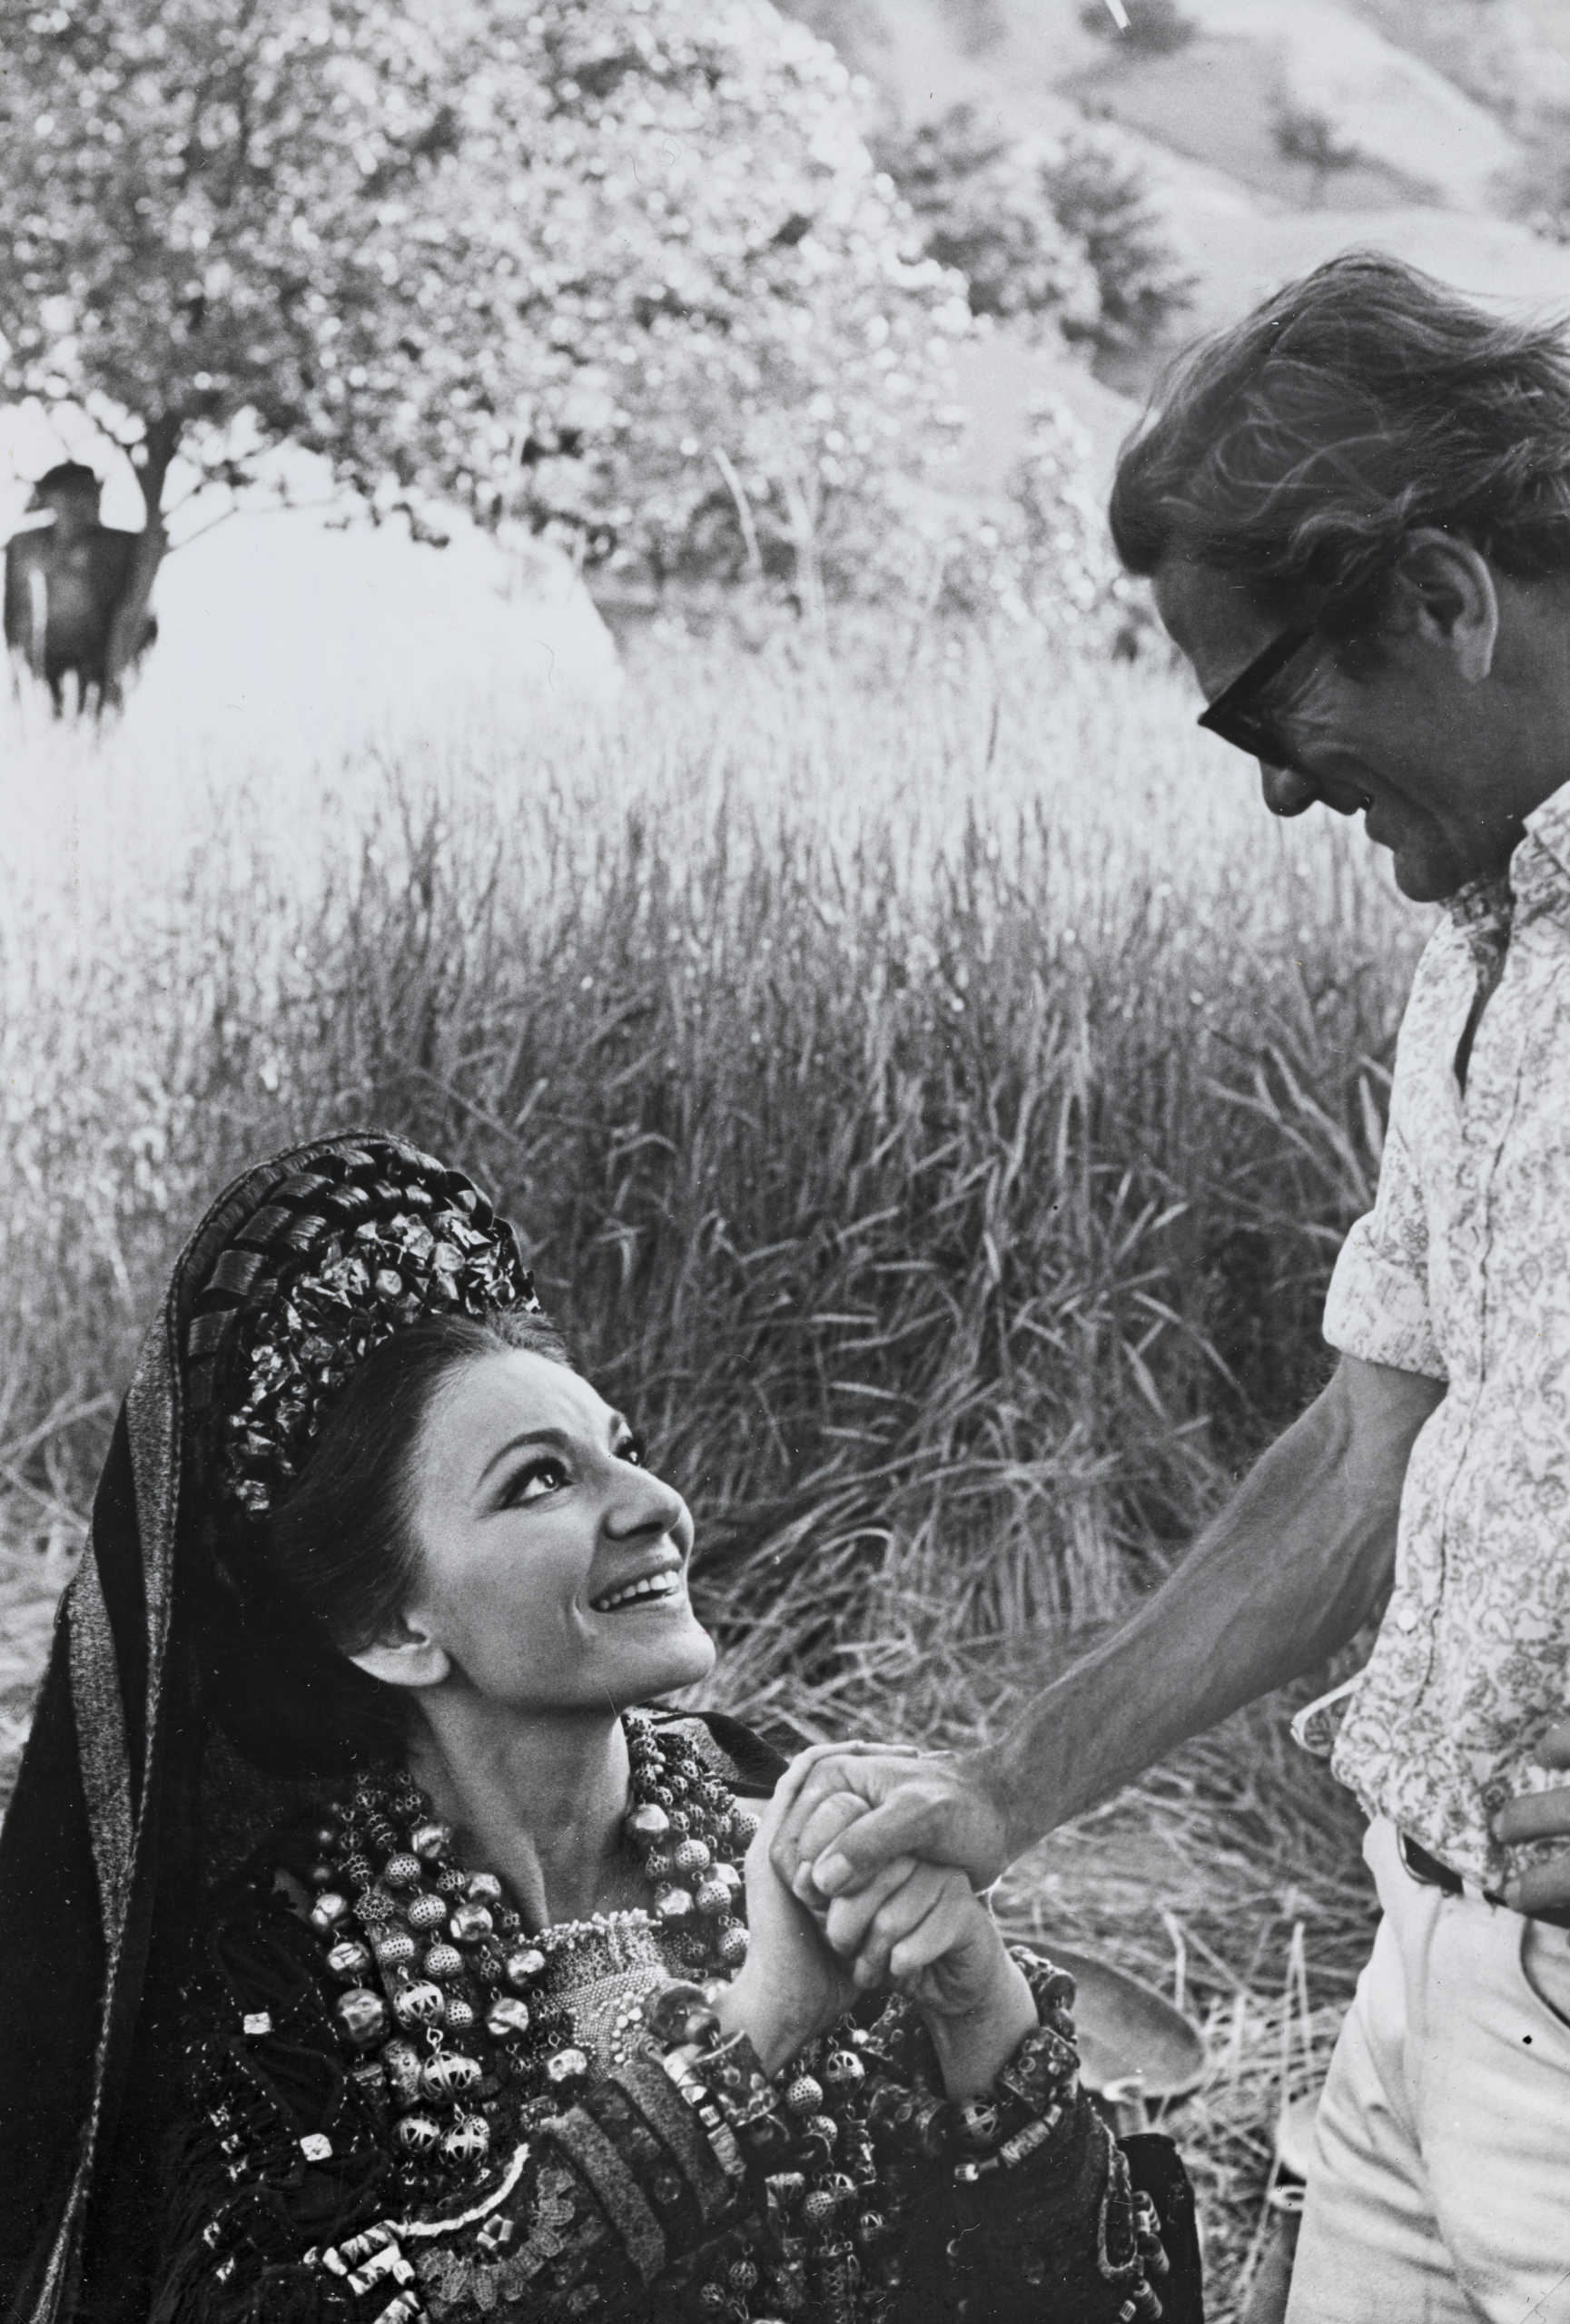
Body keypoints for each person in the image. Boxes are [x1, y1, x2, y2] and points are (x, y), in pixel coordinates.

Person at [771, 252, 1570, 2324]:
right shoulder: (1482, 948)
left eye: (1263, 710)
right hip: (1422, 1991)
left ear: (1440, 599)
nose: (1277, 785)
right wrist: (1007, 1788)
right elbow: (1370, 1445)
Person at [0, 1130, 1200, 2324]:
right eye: (541, 1479)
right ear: (391, 1627)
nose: (658, 1505)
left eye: (624, 1451)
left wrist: (979, 2013)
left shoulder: (794, 1847)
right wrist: (751, 2039)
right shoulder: (283, 1981)